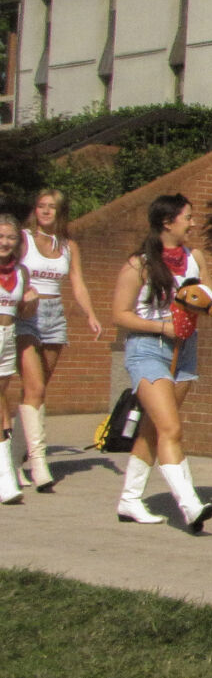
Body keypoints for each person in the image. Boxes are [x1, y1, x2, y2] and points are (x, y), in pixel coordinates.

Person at [110, 194, 212, 531]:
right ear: (168, 222)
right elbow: (119, 314)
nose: (193, 223)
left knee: (153, 430)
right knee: (171, 428)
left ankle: (130, 501)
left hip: (185, 351)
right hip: (148, 349)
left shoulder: (195, 258)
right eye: (188, 217)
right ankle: (190, 505)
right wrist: (164, 326)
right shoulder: (140, 264)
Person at [14, 188, 103, 491]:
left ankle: (12, 461)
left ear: (61, 212)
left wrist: (90, 314)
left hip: (54, 316)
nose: (46, 211)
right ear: (34, 209)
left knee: (35, 391)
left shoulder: (68, 246)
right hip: (26, 312)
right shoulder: (23, 238)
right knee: (35, 388)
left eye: (52, 207)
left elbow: (77, 282)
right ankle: (39, 465)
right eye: (41, 206)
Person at [0, 214, 37, 504]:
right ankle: (5, 480)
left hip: (8, 336)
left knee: (3, 398)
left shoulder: (21, 272)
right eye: (1, 237)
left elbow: (22, 313)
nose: (5, 242)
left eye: (10, 237)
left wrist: (30, 301)